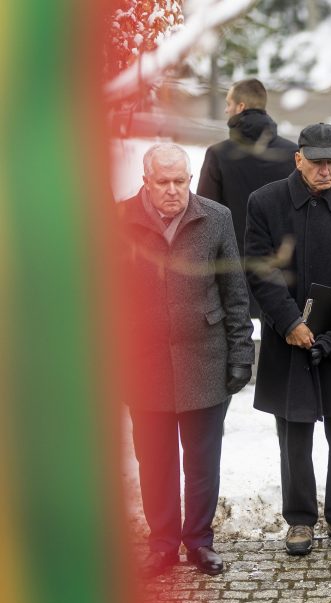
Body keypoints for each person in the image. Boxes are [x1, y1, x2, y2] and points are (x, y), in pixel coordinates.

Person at [244, 123, 331, 557]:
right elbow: (260, 269)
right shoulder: (265, 202)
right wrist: (289, 323)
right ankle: (300, 520)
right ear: (298, 157)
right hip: (287, 338)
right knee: (294, 433)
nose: (326, 170)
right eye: (318, 161)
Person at [120, 143, 255, 578]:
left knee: (202, 460)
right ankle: (162, 543)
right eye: (164, 182)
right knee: (155, 460)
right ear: (146, 181)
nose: (174, 190)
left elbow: (235, 293)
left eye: (182, 181)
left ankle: (198, 541)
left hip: (206, 359)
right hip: (145, 365)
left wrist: (241, 354)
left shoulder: (215, 217)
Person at [197, 78, 298, 317]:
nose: (225, 109)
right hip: (283, 272)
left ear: (241, 107)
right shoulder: (293, 154)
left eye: (228, 103)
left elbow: (205, 214)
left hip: (233, 272)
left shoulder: (218, 155)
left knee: (238, 346)